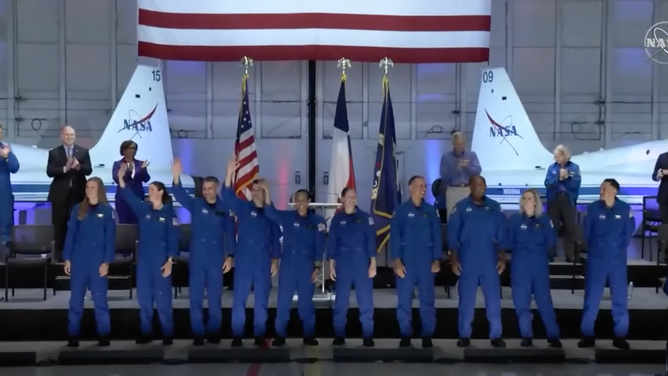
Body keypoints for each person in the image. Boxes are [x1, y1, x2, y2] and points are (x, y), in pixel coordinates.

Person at [171, 159, 235, 345]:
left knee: (215, 297)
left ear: (216, 189)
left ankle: (214, 331)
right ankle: (198, 333)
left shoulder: (224, 208)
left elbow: (230, 234)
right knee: (196, 297)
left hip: (215, 259)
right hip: (197, 258)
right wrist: (176, 175)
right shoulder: (196, 205)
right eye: (204, 188)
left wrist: (230, 256)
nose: (206, 191)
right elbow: (180, 194)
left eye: (210, 188)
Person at [222, 157, 282, 347]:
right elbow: (227, 195)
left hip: (263, 261)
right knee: (239, 298)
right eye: (254, 190)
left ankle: (259, 334)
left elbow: (276, 239)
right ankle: (237, 335)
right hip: (244, 261)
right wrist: (230, 172)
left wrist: (275, 260)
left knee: (261, 300)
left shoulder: (270, 213)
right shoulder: (243, 207)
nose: (256, 193)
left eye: (260, 190)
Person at [117, 163, 178, 345]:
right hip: (144, 261)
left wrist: (170, 261)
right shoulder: (144, 210)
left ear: (160, 192)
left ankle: (167, 333)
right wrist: (120, 178)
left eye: (152, 189)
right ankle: (147, 332)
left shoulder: (169, 214)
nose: (149, 192)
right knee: (144, 298)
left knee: (163, 299)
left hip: (161, 261)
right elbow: (129, 197)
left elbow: (173, 238)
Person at [258, 183, 325, 347]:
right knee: (283, 302)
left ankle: (309, 335)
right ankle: (280, 335)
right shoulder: (287, 217)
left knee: (306, 304)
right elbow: (270, 212)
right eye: (297, 200)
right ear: (294, 202)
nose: (300, 203)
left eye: (303, 200)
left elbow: (320, 246)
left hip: (307, 268)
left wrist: (317, 267)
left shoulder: (318, 221)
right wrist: (267, 192)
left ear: (309, 201)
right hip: (288, 267)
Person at [448, 175, 507, 348]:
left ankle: (496, 335)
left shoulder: (494, 208)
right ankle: (464, 335)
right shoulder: (460, 208)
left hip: (490, 260)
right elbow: (453, 235)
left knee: (494, 299)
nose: (482, 187)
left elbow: (501, 235)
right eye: (479, 184)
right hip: (468, 260)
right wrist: (453, 259)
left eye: (484, 185)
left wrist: (502, 257)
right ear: (470, 187)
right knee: (466, 299)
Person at [579, 178, 634, 350]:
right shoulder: (593, 208)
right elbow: (587, 233)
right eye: (600, 187)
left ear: (614, 191)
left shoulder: (625, 209)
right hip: (597, 259)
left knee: (620, 299)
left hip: (617, 260)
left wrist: (615, 248)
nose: (601, 191)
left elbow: (628, 234)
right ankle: (587, 335)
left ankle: (619, 336)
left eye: (604, 188)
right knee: (592, 299)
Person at [62, 177, 116, 348]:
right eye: (87, 186)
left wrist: (107, 261)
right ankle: (73, 335)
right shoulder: (78, 209)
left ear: (99, 190)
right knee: (75, 300)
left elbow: (110, 239)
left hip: (97, 262)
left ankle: (103, 334)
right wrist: (67, 258)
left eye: (92, 187)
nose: (88, 190)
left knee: (100, 300)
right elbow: (71, 235)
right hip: (79, 261)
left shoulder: (107, 212)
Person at [390, 175, 442, 348]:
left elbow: (437, 236)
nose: (423, 189)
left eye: (425, 186)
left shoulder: (431, 211)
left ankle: (427, 335)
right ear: (411, 187)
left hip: (426, 262)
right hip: (407, 261)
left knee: (427, 299)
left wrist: (436, 259)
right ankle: (405, 335)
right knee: (404, 300)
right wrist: (396, 260)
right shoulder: (401, 211)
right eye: (420, 186)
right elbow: (395, 237)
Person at [506, 188, 561, 348]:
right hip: (520, 264)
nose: (526, 200)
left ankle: (553, 335)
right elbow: (509, 241)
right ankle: (526, 335)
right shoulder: (515, 220)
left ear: (536, 201)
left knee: (544, 301)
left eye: (529, 198)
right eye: (524, 198)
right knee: (521, 301)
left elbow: (551, 241)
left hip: (539, 264)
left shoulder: (544, 220)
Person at [327, 187, 376, 347]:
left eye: (354, 197)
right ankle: (339, 334)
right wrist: (331, 266)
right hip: (343, 262)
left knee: (365, 300)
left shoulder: (365, 218)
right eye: (349, 197)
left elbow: (371, 242)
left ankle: (367, 335)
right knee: (340, 301)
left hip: (361, 262)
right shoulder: (337, 219)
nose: (352, 199)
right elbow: (332, 243)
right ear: (342, 199)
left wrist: (373, 264)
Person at [47, 126, 92, 261]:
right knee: (59, 226)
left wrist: (79, 167)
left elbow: (89, 170)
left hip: (78, 195)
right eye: (67, 135)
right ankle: (59, 257)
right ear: (62, 136)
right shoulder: (54, 152)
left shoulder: (83, 152)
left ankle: (78, 254)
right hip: (60, 195)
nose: (70, 137)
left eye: (72, 135)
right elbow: (50, 172)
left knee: (80, 224)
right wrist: (64, 169)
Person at [544, 145, 581, 262]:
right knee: (552, 227)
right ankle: (550, 253)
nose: (556, 158)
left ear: (565, 156)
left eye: (559, 156)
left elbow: (576, 184)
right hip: (554, 199)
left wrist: (567, 178)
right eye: (555, 156)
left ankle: (570, 256)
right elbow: (547, 183)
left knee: (570, 228)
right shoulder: (551, 168)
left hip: (568, 200)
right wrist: (558, 179)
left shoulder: (574, 168)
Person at [439, 132, 481, 220]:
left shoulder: (471, 155)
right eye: (458, 144)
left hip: (468, 190)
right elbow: (444, 177)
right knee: (453, 217)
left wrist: (468, 166)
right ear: (453, 144)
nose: (461, 147)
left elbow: (478, 170)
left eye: (463, 144)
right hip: (453, 190)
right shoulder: (446, 157)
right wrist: (456, 168)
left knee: (470, 217)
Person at [112, 140, 150, 224]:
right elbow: (116, 178)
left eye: (135, 149)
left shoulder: (140, 164)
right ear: (124, 150)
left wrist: (142, 170)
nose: (133, 151)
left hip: (137, 198)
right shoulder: (118, 164)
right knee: (124, 223)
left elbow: (146, 179)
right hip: (122, 199)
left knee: (137, 223)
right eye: (131, 148)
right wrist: (128, 171)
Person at [0, 125, 19, 246]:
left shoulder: (5, 149)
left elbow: (15, 167)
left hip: (3, 194)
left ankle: (3, 256)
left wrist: (6, 156)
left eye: (0, 132)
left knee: (5, 223)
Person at [651, 151, 668, 223]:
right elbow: (654, 176)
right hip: (664, 197)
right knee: (665, 224)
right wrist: (658, 176)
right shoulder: (663, 157)